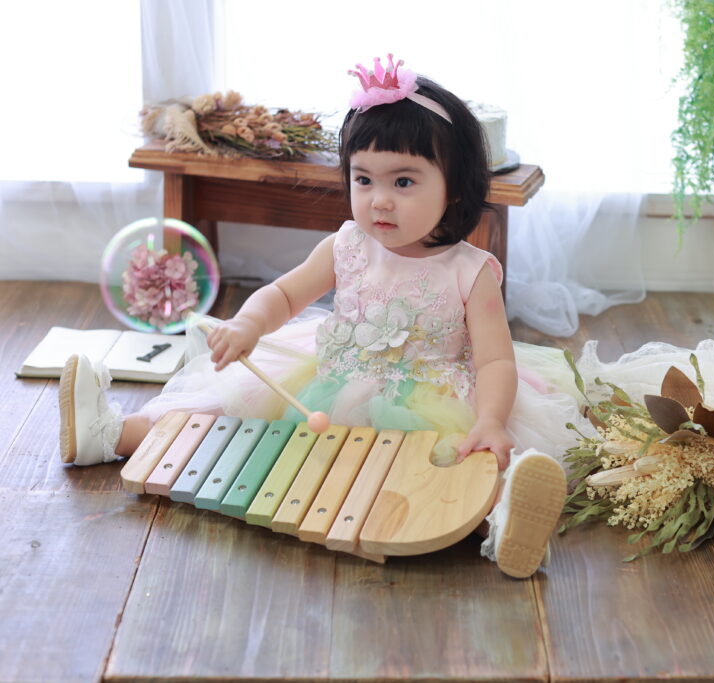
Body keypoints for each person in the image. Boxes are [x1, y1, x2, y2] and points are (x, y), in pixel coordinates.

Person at [58, 55, 586, 579]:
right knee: (222, 416)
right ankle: (112, 434)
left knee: (452, 466)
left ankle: (503, 522)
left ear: (457, 188)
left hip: (435, 399)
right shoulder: (346, 245)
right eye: (364, 179)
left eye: (404, 182)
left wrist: (490, 419)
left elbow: (495, 361)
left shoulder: (470, 271)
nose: (380, 201)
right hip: (330, 383)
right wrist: (248, 324)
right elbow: (284, 295)